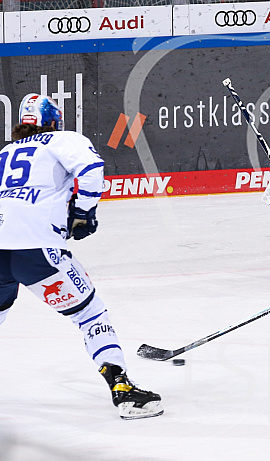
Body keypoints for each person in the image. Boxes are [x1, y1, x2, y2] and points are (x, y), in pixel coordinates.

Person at [0, 93, 164, 418]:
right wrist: (83, 212)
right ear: (53, 120)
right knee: (90, 314)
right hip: (36, 249)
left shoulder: (6, 151)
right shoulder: (63, 139)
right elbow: (91, 168)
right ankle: (122, 388)